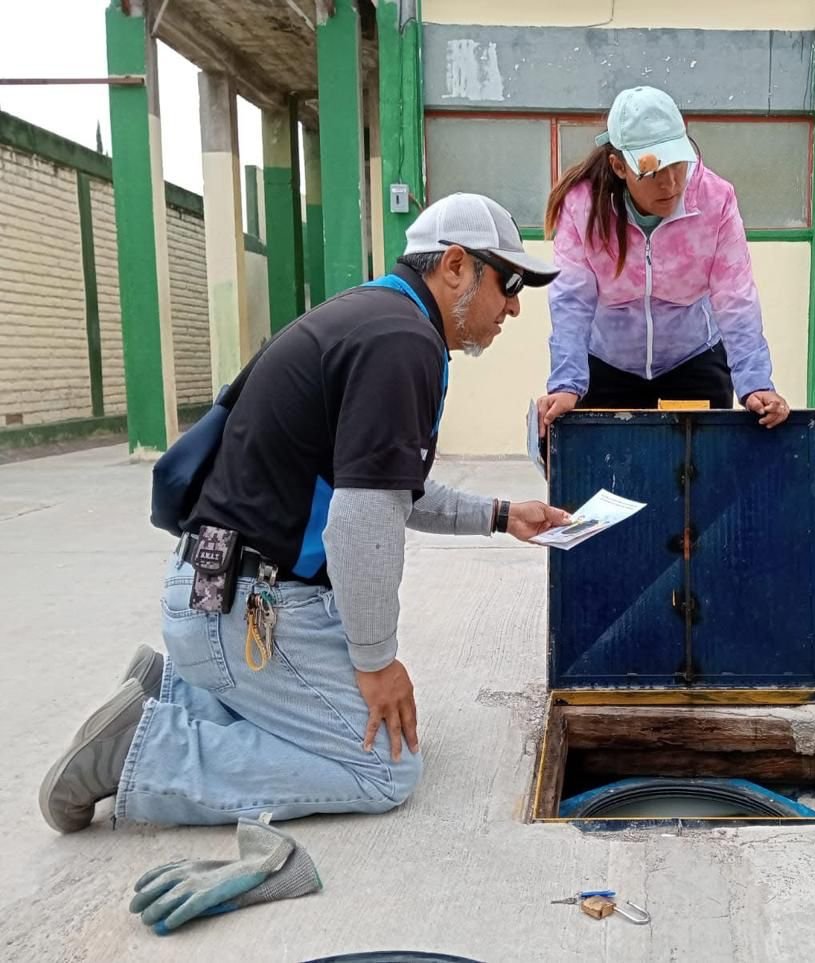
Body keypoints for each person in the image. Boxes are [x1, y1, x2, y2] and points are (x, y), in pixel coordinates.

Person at [39, 193, 571, 831]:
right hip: (250, 608)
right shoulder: (405, 343)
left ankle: (176, 693)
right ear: (456, 265)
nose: (514, 305)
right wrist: (377, 662)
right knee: (382, 770)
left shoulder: (367, 317)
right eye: (509, 282)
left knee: (377, 736)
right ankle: (144, 751)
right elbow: (361, 522)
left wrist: (502, 513)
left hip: (214, 590)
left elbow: (389, 488)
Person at [536, 85, 790, 435]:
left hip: (694, 358)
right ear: (619, 166)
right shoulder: (583, 207)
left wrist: (755, 382)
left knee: (695, 478)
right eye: (653, 171)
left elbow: (735, 297)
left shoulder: (716, 199)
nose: (670, 183)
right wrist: (566, 384)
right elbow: (571, 301)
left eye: (677, 164)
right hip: (609, 363)